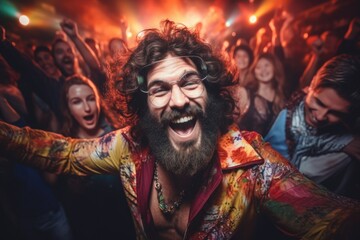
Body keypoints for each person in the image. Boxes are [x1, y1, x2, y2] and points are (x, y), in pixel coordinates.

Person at [0, 20, 359, 240]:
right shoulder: (128, 146)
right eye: (159, 89)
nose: (178, 100)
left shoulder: (249, 163)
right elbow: (61, 152)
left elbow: (334, 218)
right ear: (143, 107)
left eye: (189, 82)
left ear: (211, 92)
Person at [264, 54, 360, 198]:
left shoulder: (349, 135)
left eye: (335, 113)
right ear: (311, 86)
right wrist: (339, 142)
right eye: (319, 103)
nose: (321, 116)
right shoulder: (286, 118)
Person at [56, 75, 134, 239]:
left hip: (128, 224)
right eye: (77, 102)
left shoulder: (117, 136)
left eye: (91, 99)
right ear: (68, 108)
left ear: (99, 101)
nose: (87, 108)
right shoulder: (68, 148)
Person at [232, 52, 286, 136]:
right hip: (242, 147)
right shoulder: (244, 93)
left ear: (275, 67)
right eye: (258, 67)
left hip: (269, 149)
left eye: (266, 65)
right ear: (254, 71)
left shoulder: (281, 99)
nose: (263, 70)